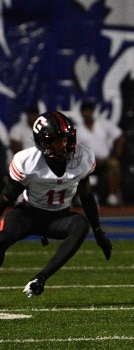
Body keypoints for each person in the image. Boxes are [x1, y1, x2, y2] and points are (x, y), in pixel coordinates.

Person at [0, 111, 112, 297]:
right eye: (56, 140)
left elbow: (86, 195)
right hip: (28, 213)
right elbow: (6, 198)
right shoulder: (27, 162)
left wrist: (98, 231)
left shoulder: (81, 158)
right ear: (42, 142)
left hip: (59, 217)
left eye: (65, 139)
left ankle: (40, 279)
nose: (63, 145)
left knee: (80, 224)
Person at [75, 101, 125, 207]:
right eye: (84, 111)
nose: (87, 113)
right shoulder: (78, 129)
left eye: (88, 111)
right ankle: (82, 196)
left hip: (105, 159)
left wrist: (116, 154)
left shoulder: (103, 124)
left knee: (114, 164)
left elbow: (119, 136)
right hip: (87, 162)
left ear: (92, 112)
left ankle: (112, 196)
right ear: (81, 113)